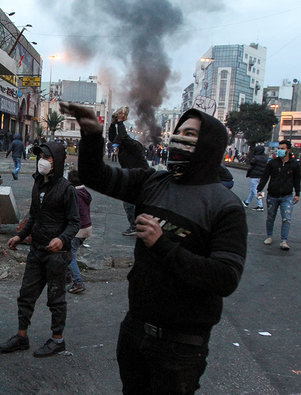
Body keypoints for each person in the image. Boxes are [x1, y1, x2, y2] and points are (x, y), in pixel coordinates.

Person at [62, 102, 247, 395]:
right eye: (179, 132)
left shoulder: (225, 206)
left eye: (190, 134)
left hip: (181, 347)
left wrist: (163, 245)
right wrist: (92, 134)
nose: (179, 139)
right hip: (135, 330)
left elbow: (225, 277)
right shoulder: (153, 181)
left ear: (209, 145)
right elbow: (96, 176)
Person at [0, 141, 80, 358]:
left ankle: (57, 340)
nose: (42, 160)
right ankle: (21, 337)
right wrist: (19, 235)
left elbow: (74, 223)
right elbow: (34, 217)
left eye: (47, 157)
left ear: (58, 161)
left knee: (56, 299)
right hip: (36, 250)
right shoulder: (38, 184)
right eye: (40, 156)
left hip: (57, 256)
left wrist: (62, 240)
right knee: (26, 295)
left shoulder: (67, 189)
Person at [108, 106, 150, 236]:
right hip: (133, 178)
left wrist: (120, 122)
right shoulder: (122, 144)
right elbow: (112, 137)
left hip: (142, 178)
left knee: (130, 204)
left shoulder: (133, 146)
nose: (115, 147)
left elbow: (124, 137)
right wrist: (112, 124)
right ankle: (138, 226)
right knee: (132, 204)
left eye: (117, 145)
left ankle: (136, 226)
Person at [256, 140, 301, 251]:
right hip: (273, 195)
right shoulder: (273, 163)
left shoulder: (294, 165)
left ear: (288, 150)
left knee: (286, 218)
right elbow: (265, 176)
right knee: (270, 217)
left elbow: (297, 180)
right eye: (279, 148)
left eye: (282, 148)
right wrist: (259, 189)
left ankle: (284, 240)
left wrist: (297, 194)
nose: (280, 150)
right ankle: (269, 236)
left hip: (287, 196)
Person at [65, 170, 92, 295]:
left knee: (70, 255)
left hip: (78, 229)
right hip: (86, 227)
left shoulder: (74, 193)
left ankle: (78, 282)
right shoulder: (84, 192)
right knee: (68, 252)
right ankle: (67, 276)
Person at [242, 145, 267, 211]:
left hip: (254, 175)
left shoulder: (255, 158)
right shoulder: (265, 158)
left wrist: (248, 173)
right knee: (254, 190)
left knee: (255, 190)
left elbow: (251, 167)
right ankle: (247, 202)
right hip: (261, 176)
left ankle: (260, 205)